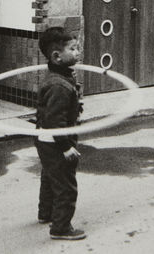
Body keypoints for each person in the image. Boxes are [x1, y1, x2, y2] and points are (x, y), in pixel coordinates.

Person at [34, 27, 85, 240]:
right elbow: (55, 121)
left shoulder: (59, 76)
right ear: (56, 56)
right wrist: (66, 147)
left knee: (49, 175)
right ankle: (61, 227)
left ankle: (46, 213)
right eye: (73, 49)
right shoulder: (59, 86)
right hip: (56, 140)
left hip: (45, 139)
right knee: (65, 183)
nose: (78, 52)